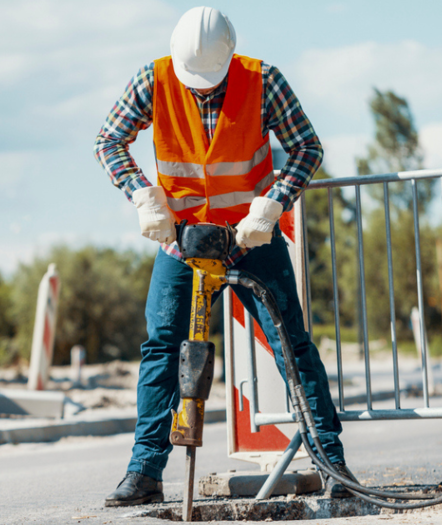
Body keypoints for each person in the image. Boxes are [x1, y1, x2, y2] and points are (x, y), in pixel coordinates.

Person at [94, 6, 356, 506]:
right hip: (183, 241)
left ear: (229, 58)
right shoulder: (154, 79)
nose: (200, 89)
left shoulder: (263, 80)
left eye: (209, 81)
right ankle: (145, 471)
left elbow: (307, 148)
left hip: (250, 237)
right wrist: (142, 194)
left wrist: (273, 204)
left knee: (292, 346)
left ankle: (332, 463)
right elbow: (109, 140)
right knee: (163, 348)